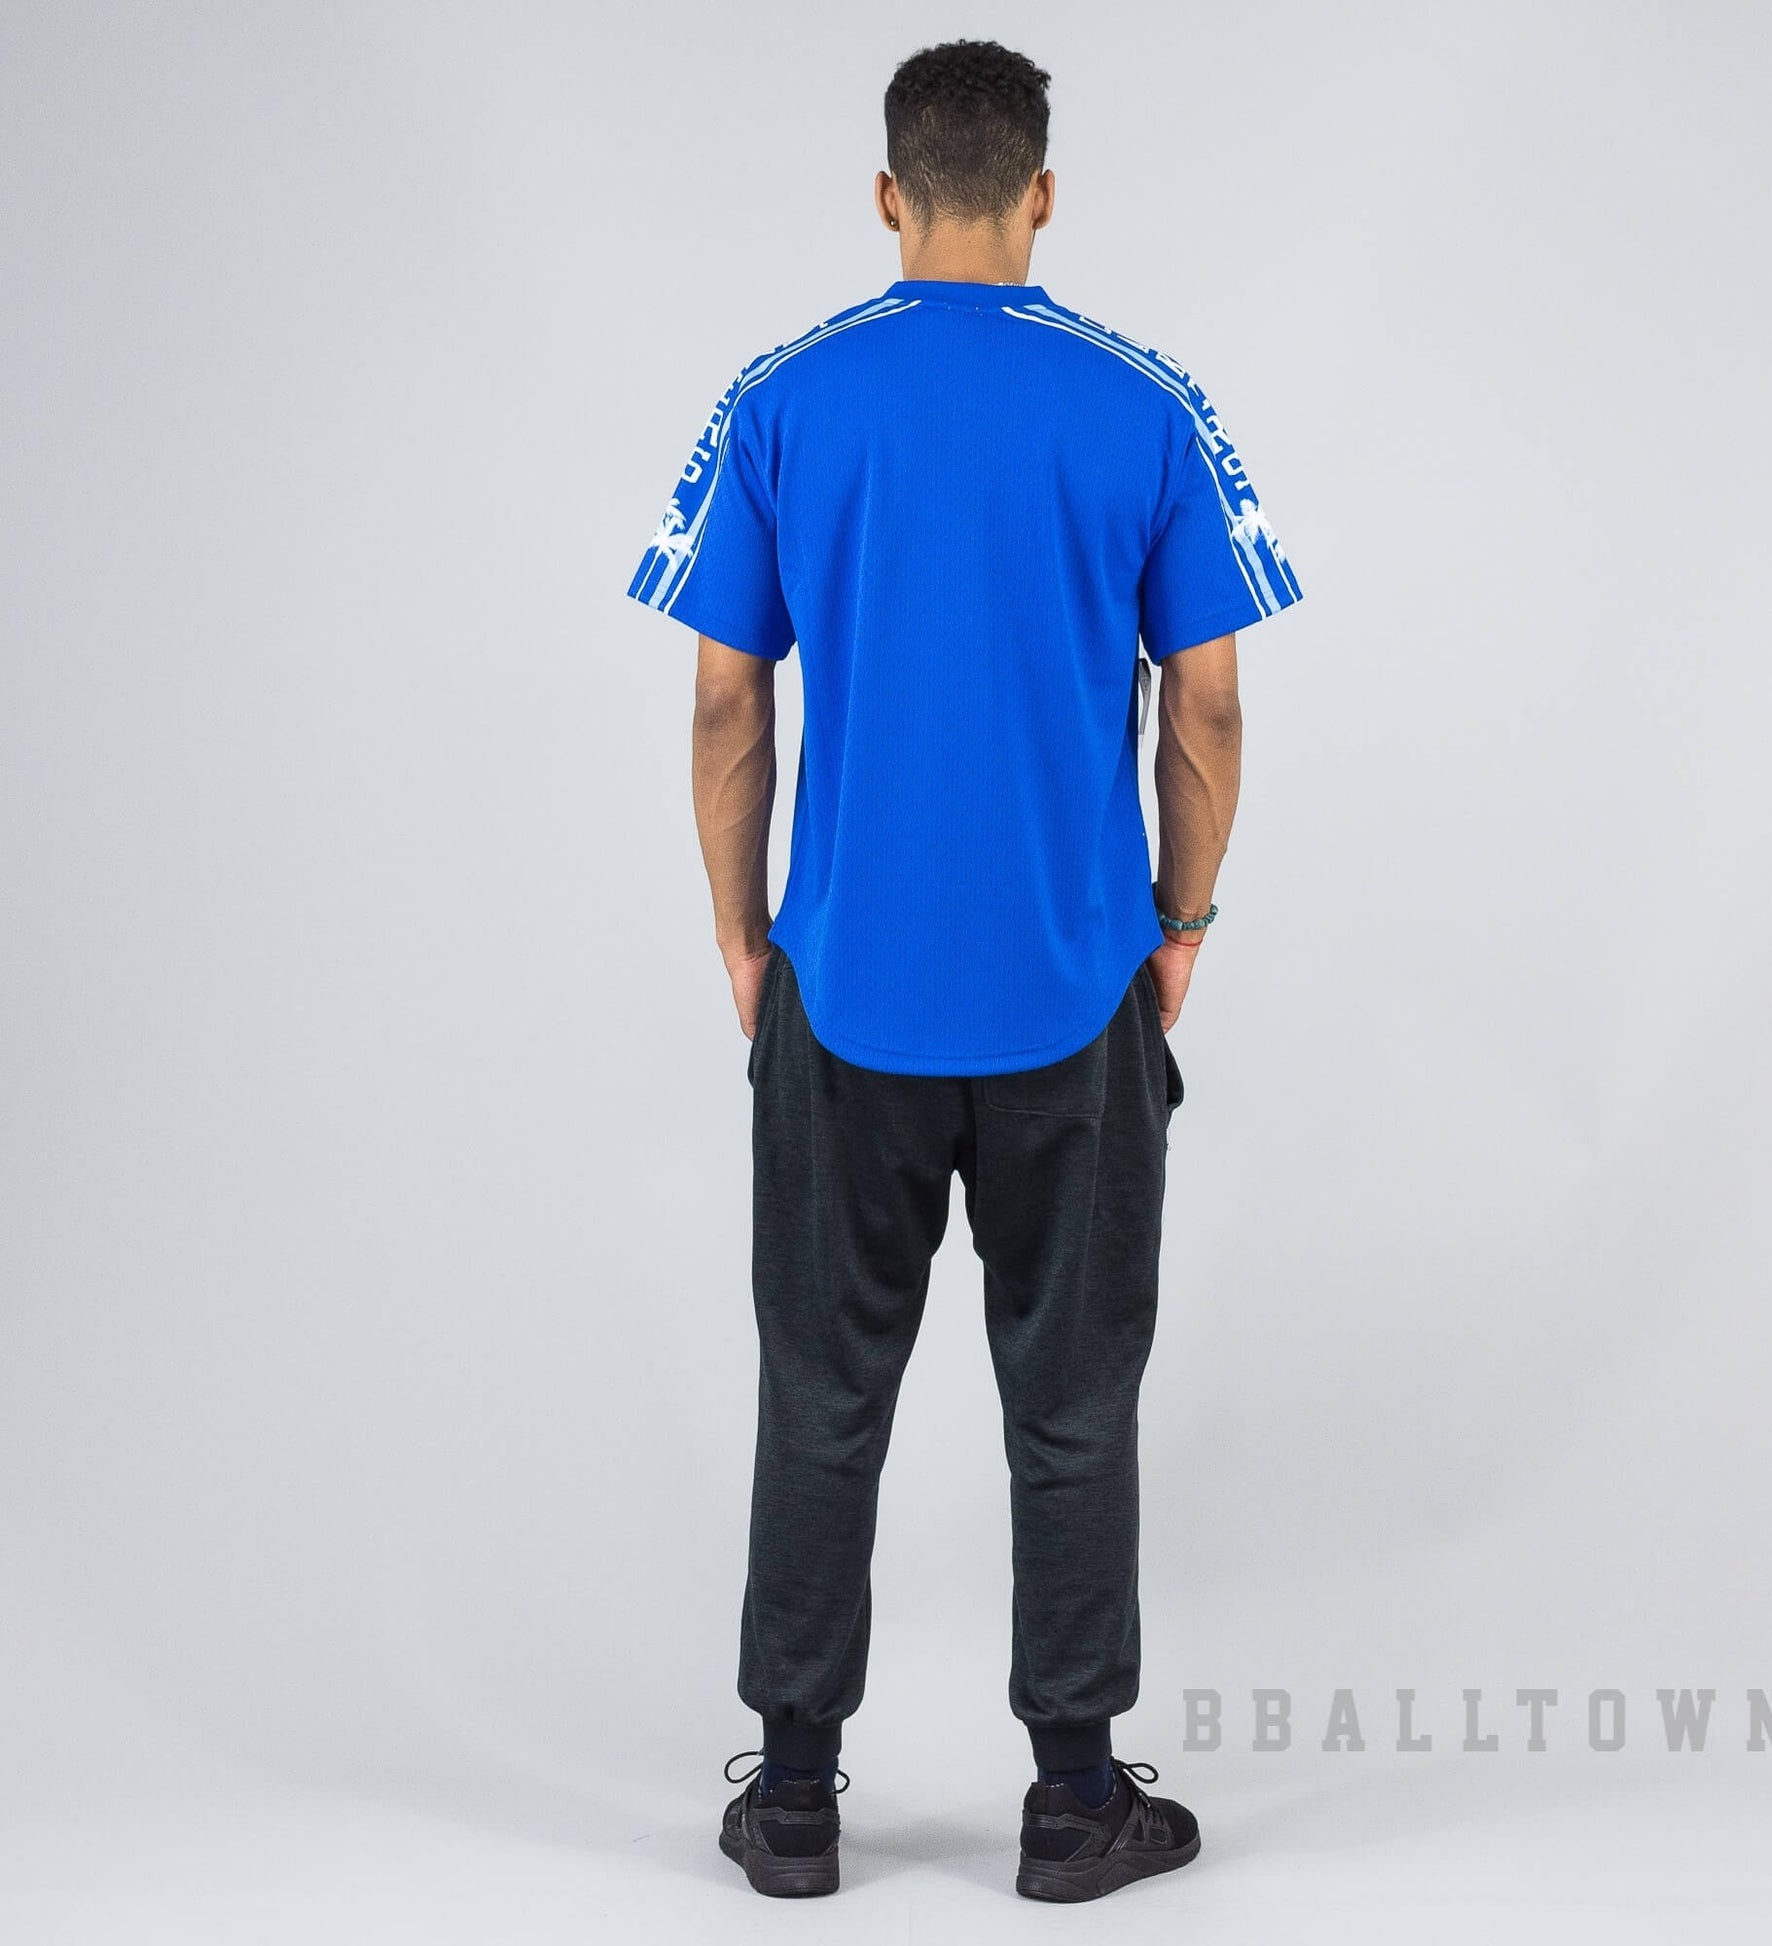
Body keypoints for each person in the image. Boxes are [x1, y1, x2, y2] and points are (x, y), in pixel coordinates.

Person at [626, 37, 1300, 1902]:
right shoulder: (1145, 403)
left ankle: (792, 1799)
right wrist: (1179, 925)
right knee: (1071, 1400)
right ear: (1042, 194)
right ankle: (1075, 1803)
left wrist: (740, 936)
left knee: (817, 1385)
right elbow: (1211, 706)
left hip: (841, 988)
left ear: (886, 195)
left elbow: (724, 701)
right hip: (1073, 989)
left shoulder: (782, 398)